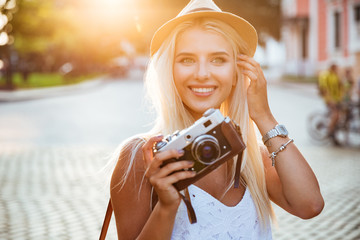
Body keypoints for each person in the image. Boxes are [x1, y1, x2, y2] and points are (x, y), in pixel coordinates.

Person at [109, 0, 324, 239]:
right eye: (187, 60)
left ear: (236, 72)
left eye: (218, 59)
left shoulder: (252, 158)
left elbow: (310, 205)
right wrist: (167, 207)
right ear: (169, 70)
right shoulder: (141, 158)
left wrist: (263, 117)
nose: (202, 74)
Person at [318, 64, 343, 144]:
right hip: (329, 99)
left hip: (336, 99)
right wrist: (329, 100)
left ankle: (334, 131)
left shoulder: (334, 75)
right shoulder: (325, 75)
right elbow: (323, 88)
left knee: (340, 115)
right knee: (335, 114)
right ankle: (330, 132)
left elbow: (339, 87)